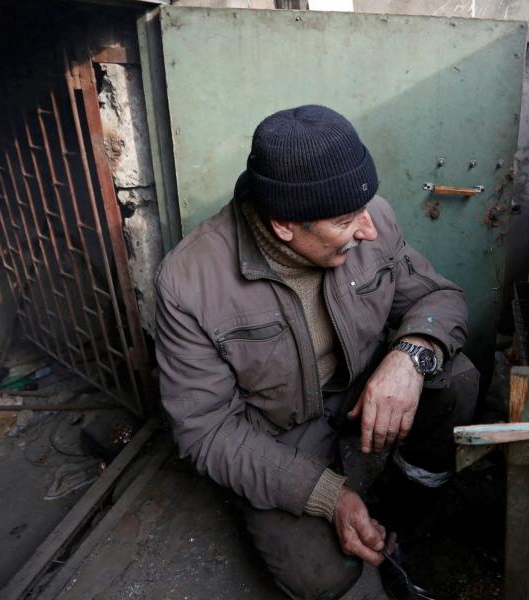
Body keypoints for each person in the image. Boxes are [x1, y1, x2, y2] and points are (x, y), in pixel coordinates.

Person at [155, 105, 478, 599]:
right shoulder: (189, 281)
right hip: (282, 432)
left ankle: (406, 510)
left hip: (359, 389)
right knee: (322, 578)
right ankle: (349, 510)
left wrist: (411, 355)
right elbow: (206, 431)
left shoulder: (373, 220)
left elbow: (439, 297)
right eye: (346, 221)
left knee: (456, 378)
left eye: (365, 211)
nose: (368, 231)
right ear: (285, 225)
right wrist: (329, 497)